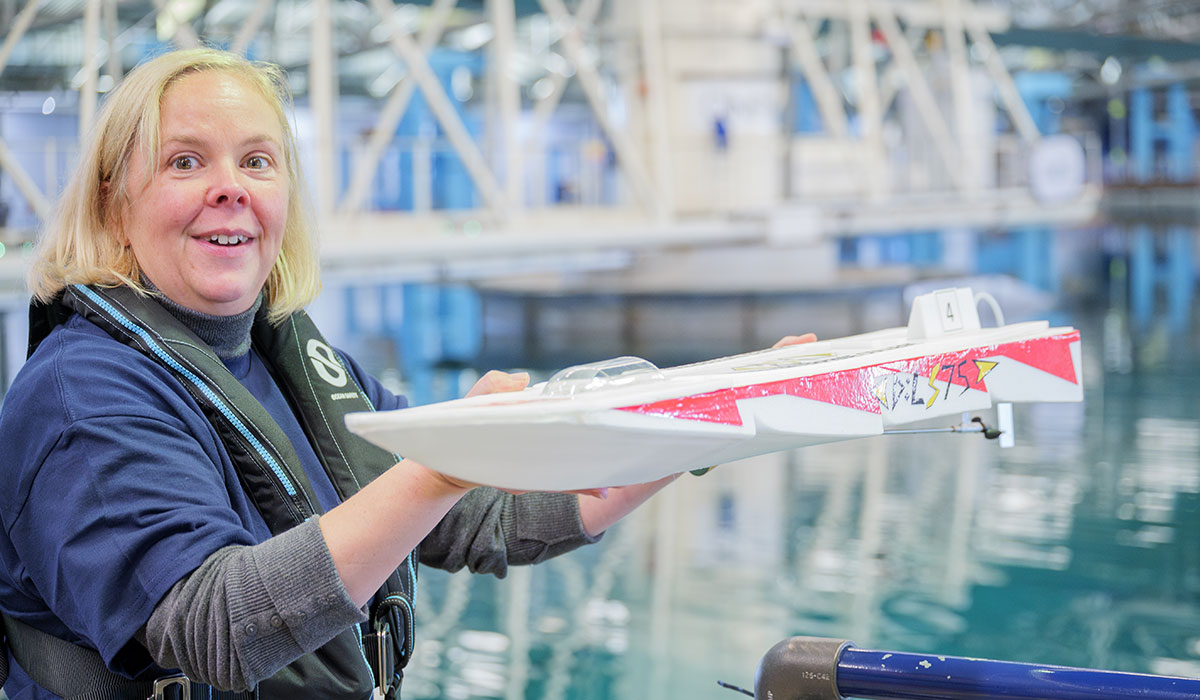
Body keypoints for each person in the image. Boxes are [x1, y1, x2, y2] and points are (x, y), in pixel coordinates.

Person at [0, 48, 814, 700]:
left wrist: (709, 420)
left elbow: (477, 516)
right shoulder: (84, 397)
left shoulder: (289, 357)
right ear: (114, 204)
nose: (230, 190)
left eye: (258, 161)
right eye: (186, 161)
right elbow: (212, 626)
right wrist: (440, 469)